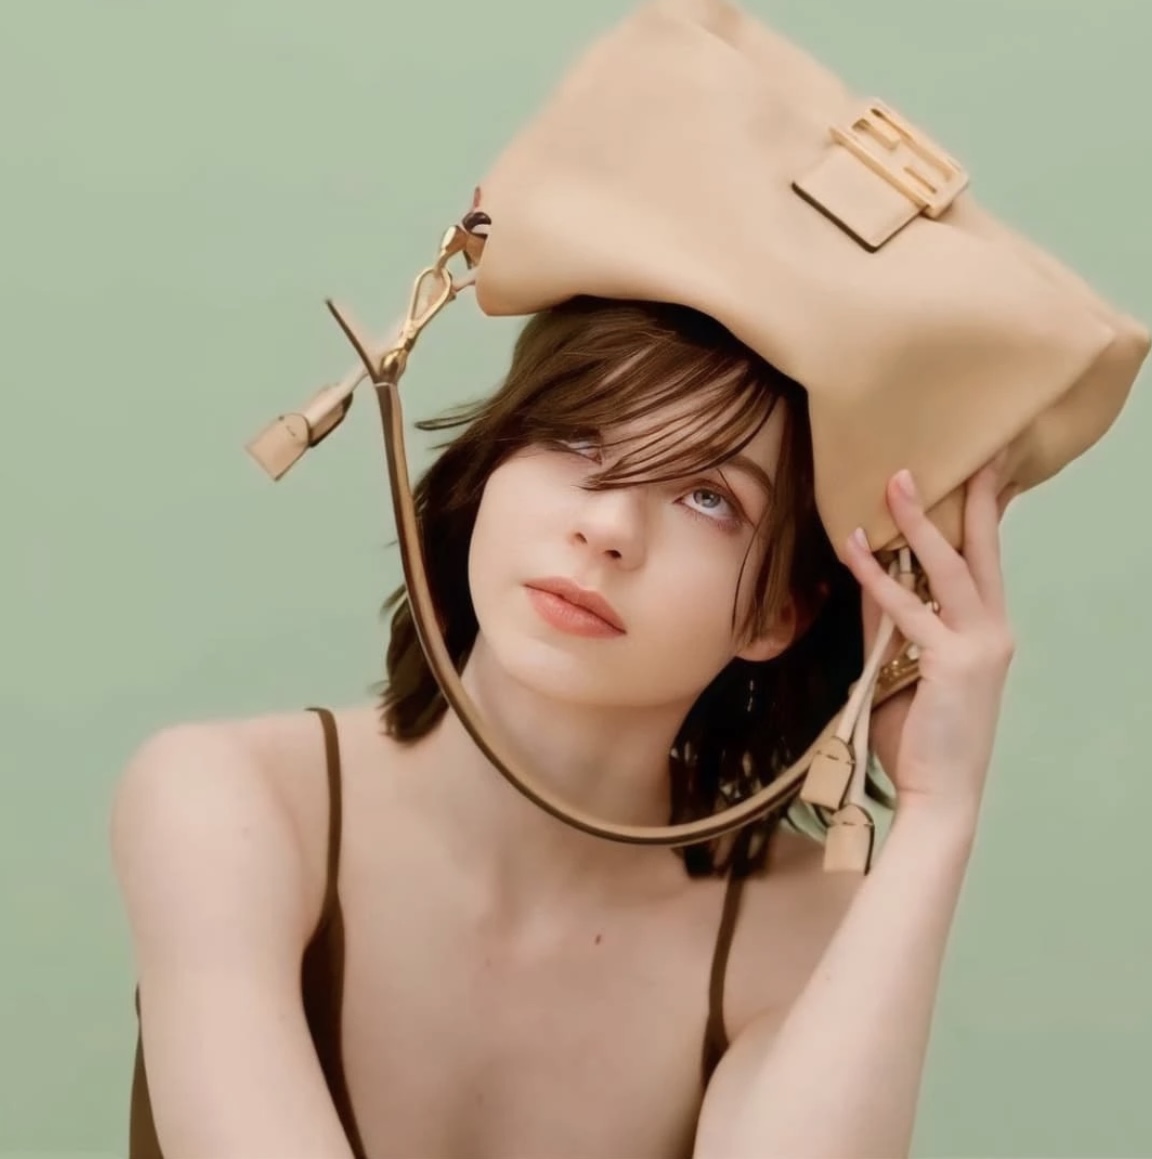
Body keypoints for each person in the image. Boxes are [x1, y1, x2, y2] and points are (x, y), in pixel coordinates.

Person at [111, 295, 1017, 1159]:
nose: (609, 525)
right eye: (580, 437)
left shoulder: (799, 928)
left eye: (709, 497)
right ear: (491, 465)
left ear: (777, 613)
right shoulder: (230, 802)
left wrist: (939, 812)